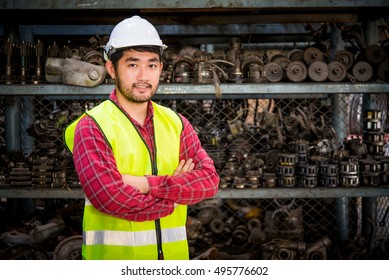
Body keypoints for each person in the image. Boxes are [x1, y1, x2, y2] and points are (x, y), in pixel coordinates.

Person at [63, 15, 219, 260]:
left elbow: (209, 181)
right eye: (133, 65)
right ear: (112, 69)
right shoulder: (92, 126)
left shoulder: (176, 123)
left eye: (152, 65)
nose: (144, 76)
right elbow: (110, 198)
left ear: (161, 69)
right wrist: (175, 198)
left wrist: (145, 184)